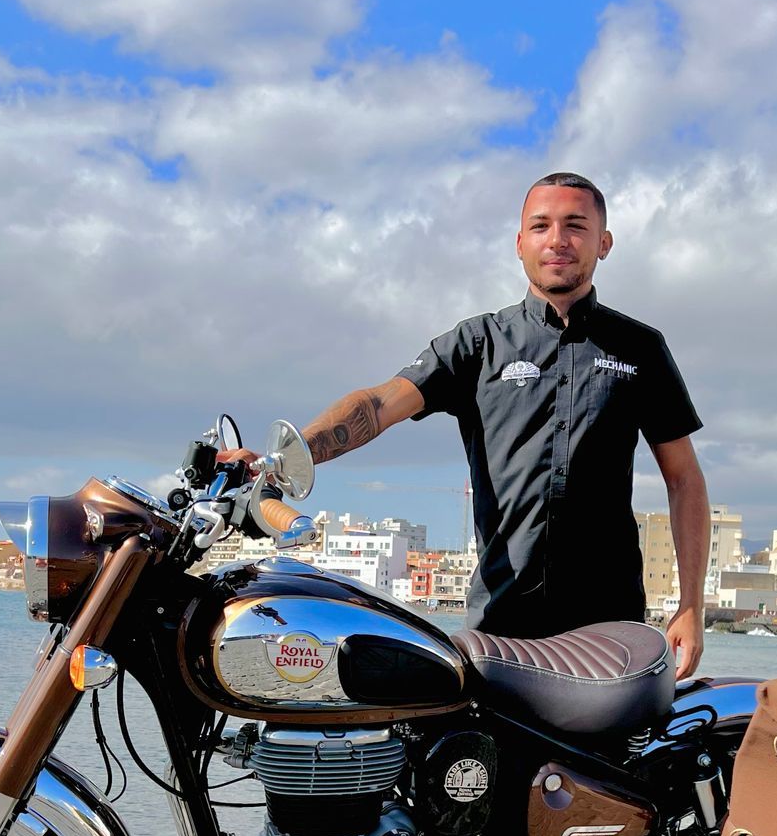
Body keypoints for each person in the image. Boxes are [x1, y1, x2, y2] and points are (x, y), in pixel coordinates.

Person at [238, 171, 711, 678]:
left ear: (604, 243)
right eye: (541, 226)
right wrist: (283, 457)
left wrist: (690, 606)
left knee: (608, 760)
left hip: (609, 626)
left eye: (576, 225)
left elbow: (683, 478)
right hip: (499, 623)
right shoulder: (477, 344)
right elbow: (378, 405)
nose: (557, 240)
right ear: (519, 243)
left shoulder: (639, 349)